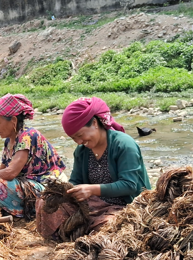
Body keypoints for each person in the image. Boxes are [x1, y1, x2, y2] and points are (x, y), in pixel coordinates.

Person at [36, 97, 150, 240]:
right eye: (74, 138)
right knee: (45, 201)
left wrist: (91, 190)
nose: (79, 142)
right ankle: (63, 236)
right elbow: (76, 180)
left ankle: (84, 235)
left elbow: (129, 185)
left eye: (80, 135)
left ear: (95, 123)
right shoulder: (82, 151)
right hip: (93, 205)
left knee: (112, 227)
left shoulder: (124, 145)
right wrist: (67, 191)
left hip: (124, 206)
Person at [0, 94, 65, 218]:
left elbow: (11, 173)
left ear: (13, 120)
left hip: (45, 188)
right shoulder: (9, 141)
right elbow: (2, 170)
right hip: (26, 185)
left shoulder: (27, 136)